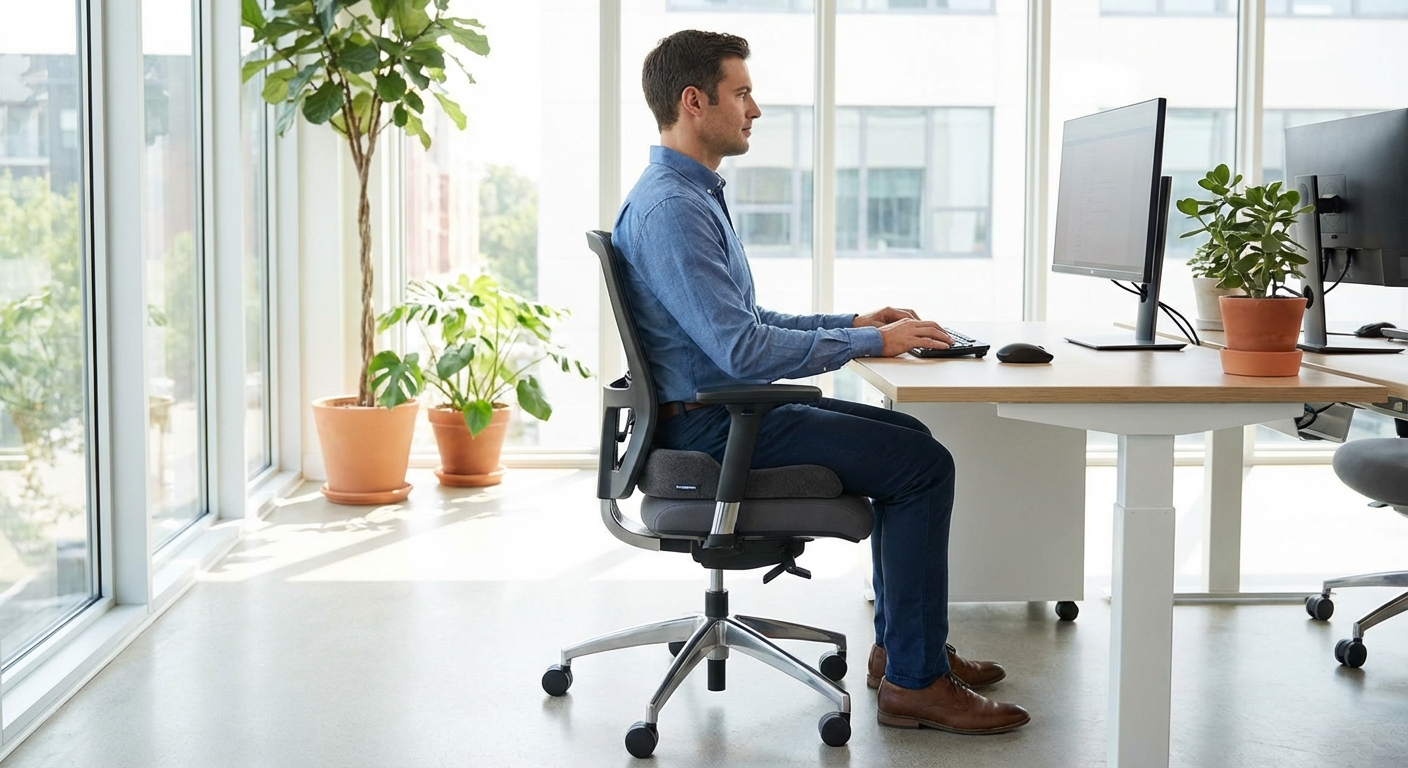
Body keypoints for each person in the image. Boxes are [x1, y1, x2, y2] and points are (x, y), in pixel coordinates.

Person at [612, 29, 1030, 735]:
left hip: (715, 408)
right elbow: (743, 349)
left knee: (910, 438)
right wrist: (871, 341)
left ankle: (903, 651)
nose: (756, 108)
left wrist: (856, 321)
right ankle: (915, 683)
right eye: (741, 92)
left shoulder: (687, 193)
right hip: (715, 428)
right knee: (923, 466)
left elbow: (740, 321)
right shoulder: (674, 209)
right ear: (694, 101)